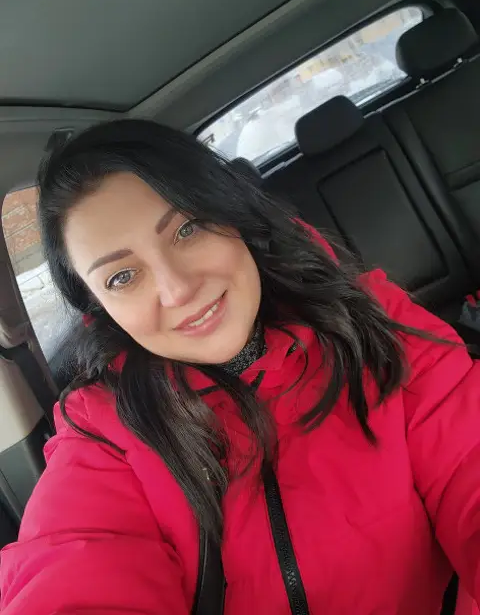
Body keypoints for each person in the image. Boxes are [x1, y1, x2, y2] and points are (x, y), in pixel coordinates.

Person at [1, 119, 479, 615]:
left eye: (187, 228)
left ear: (232, 212)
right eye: (122, 277)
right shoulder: (103, 435)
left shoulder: (368, 320)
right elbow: (72, 572)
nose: (177, 290)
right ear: (100, 310)